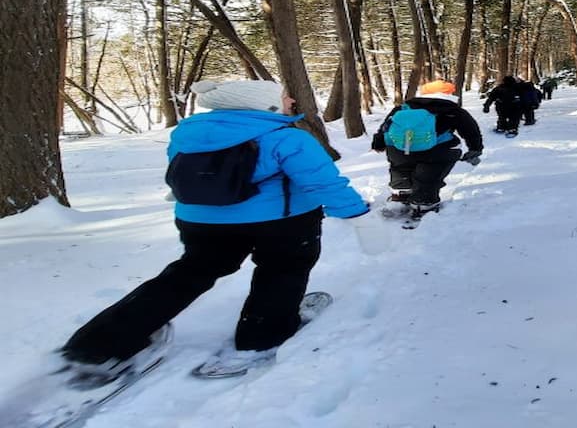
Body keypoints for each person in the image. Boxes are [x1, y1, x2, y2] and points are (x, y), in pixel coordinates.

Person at [59, 79, 370, 381]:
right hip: (280, 222)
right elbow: (322, 182)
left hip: (201, 223)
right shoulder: (287, 137)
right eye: (284, 97)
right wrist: (356, 212)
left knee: (189, 274)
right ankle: (261, 337)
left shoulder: (188, 133)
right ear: (266, 104)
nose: (291, 101)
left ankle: (99, 343)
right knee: (282, 270)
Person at [371, 79, 483, 216]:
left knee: (400, 168)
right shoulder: (453, 110)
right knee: (429, 174)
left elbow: (385, 127)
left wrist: (378, 143)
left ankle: (399, 197)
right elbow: (471, 131)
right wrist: (475, 149)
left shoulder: (403, 108)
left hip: (400, 149)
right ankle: (423, 203)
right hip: (436, 151)